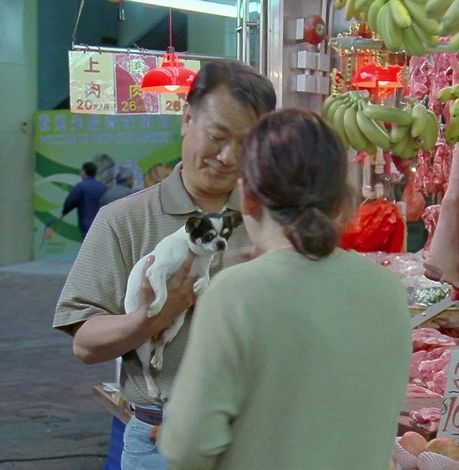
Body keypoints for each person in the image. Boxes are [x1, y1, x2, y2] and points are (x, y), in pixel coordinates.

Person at [157, 109, 413, 469]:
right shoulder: (387, 289)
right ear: (341, 203)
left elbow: (187, 447)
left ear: (247, 197)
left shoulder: (235, 293)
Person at [53, 59, 276, 470]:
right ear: (187, 119)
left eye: (246, 144)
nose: (228, 157)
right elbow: (84, 344)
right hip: (160, 443)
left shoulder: (270, 222)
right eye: (217, 136)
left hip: (256, 440)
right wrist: (155, 316)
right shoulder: (123, 220)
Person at [61, 161, 107, 240]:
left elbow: (71, 201)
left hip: (86, 222)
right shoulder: (103, 187)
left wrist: (64, 212)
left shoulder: (81, 186)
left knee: (88, 244)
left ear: (84, 171)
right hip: (101, 222)